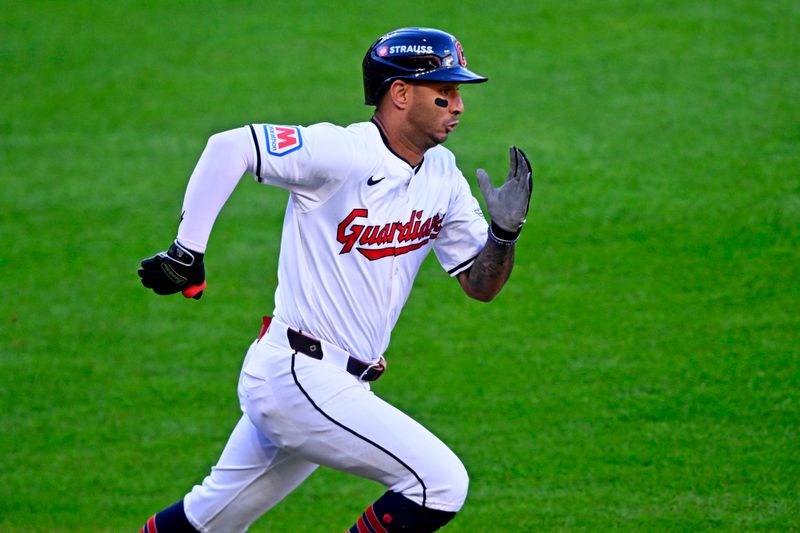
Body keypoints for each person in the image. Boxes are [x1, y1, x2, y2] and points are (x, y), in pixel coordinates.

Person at [137, 27, 533, 533]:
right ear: (401, 93)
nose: (458, 105)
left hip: (328, 382)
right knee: (439, 484)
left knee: (210, 518)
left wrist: (504, 233)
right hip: (298, 375)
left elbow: (481, 286)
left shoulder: (443, 174)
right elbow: (229, 146)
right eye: (446, 91)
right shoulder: (343, 151)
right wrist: (186, 251)